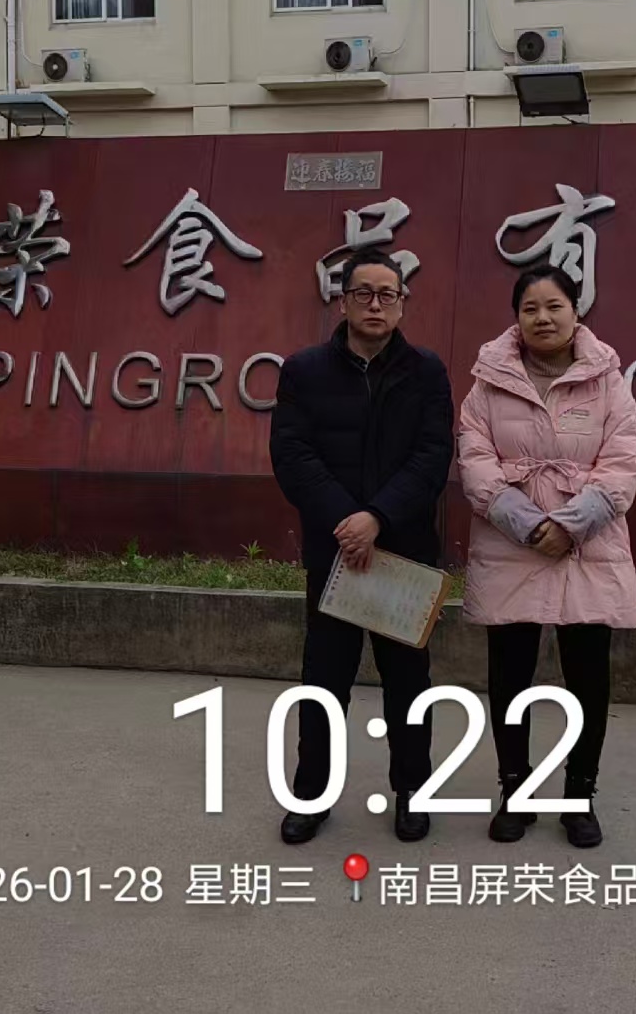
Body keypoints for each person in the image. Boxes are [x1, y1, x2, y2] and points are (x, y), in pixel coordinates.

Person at [269, 247, 455, 845]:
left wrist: (377, 516)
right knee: (324, 680)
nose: (376, 304)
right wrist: (346, 521)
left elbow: (433, 456)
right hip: (335, 555)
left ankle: (413, 792)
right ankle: (311, 795)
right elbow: (292, 455)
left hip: (403, 553)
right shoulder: (304, 371)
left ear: (402, 304)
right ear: (343, 301)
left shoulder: (427, 371)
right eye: (364, 293)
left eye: (388, 294)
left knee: (408, 682)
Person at [456, 263, 636, 849]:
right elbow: (474, 460)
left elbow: (622, 461)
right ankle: (515, 792)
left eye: (554, 305)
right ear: (516, 318)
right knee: (509, 678)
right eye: (530, 308)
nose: (542, 317)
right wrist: (527, 523)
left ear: (575, 311)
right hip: (510, 544)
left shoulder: (608, 381)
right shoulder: (488, 383)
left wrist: (570, 527)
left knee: (588, 678)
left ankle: (578, 797)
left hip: (588, 547)